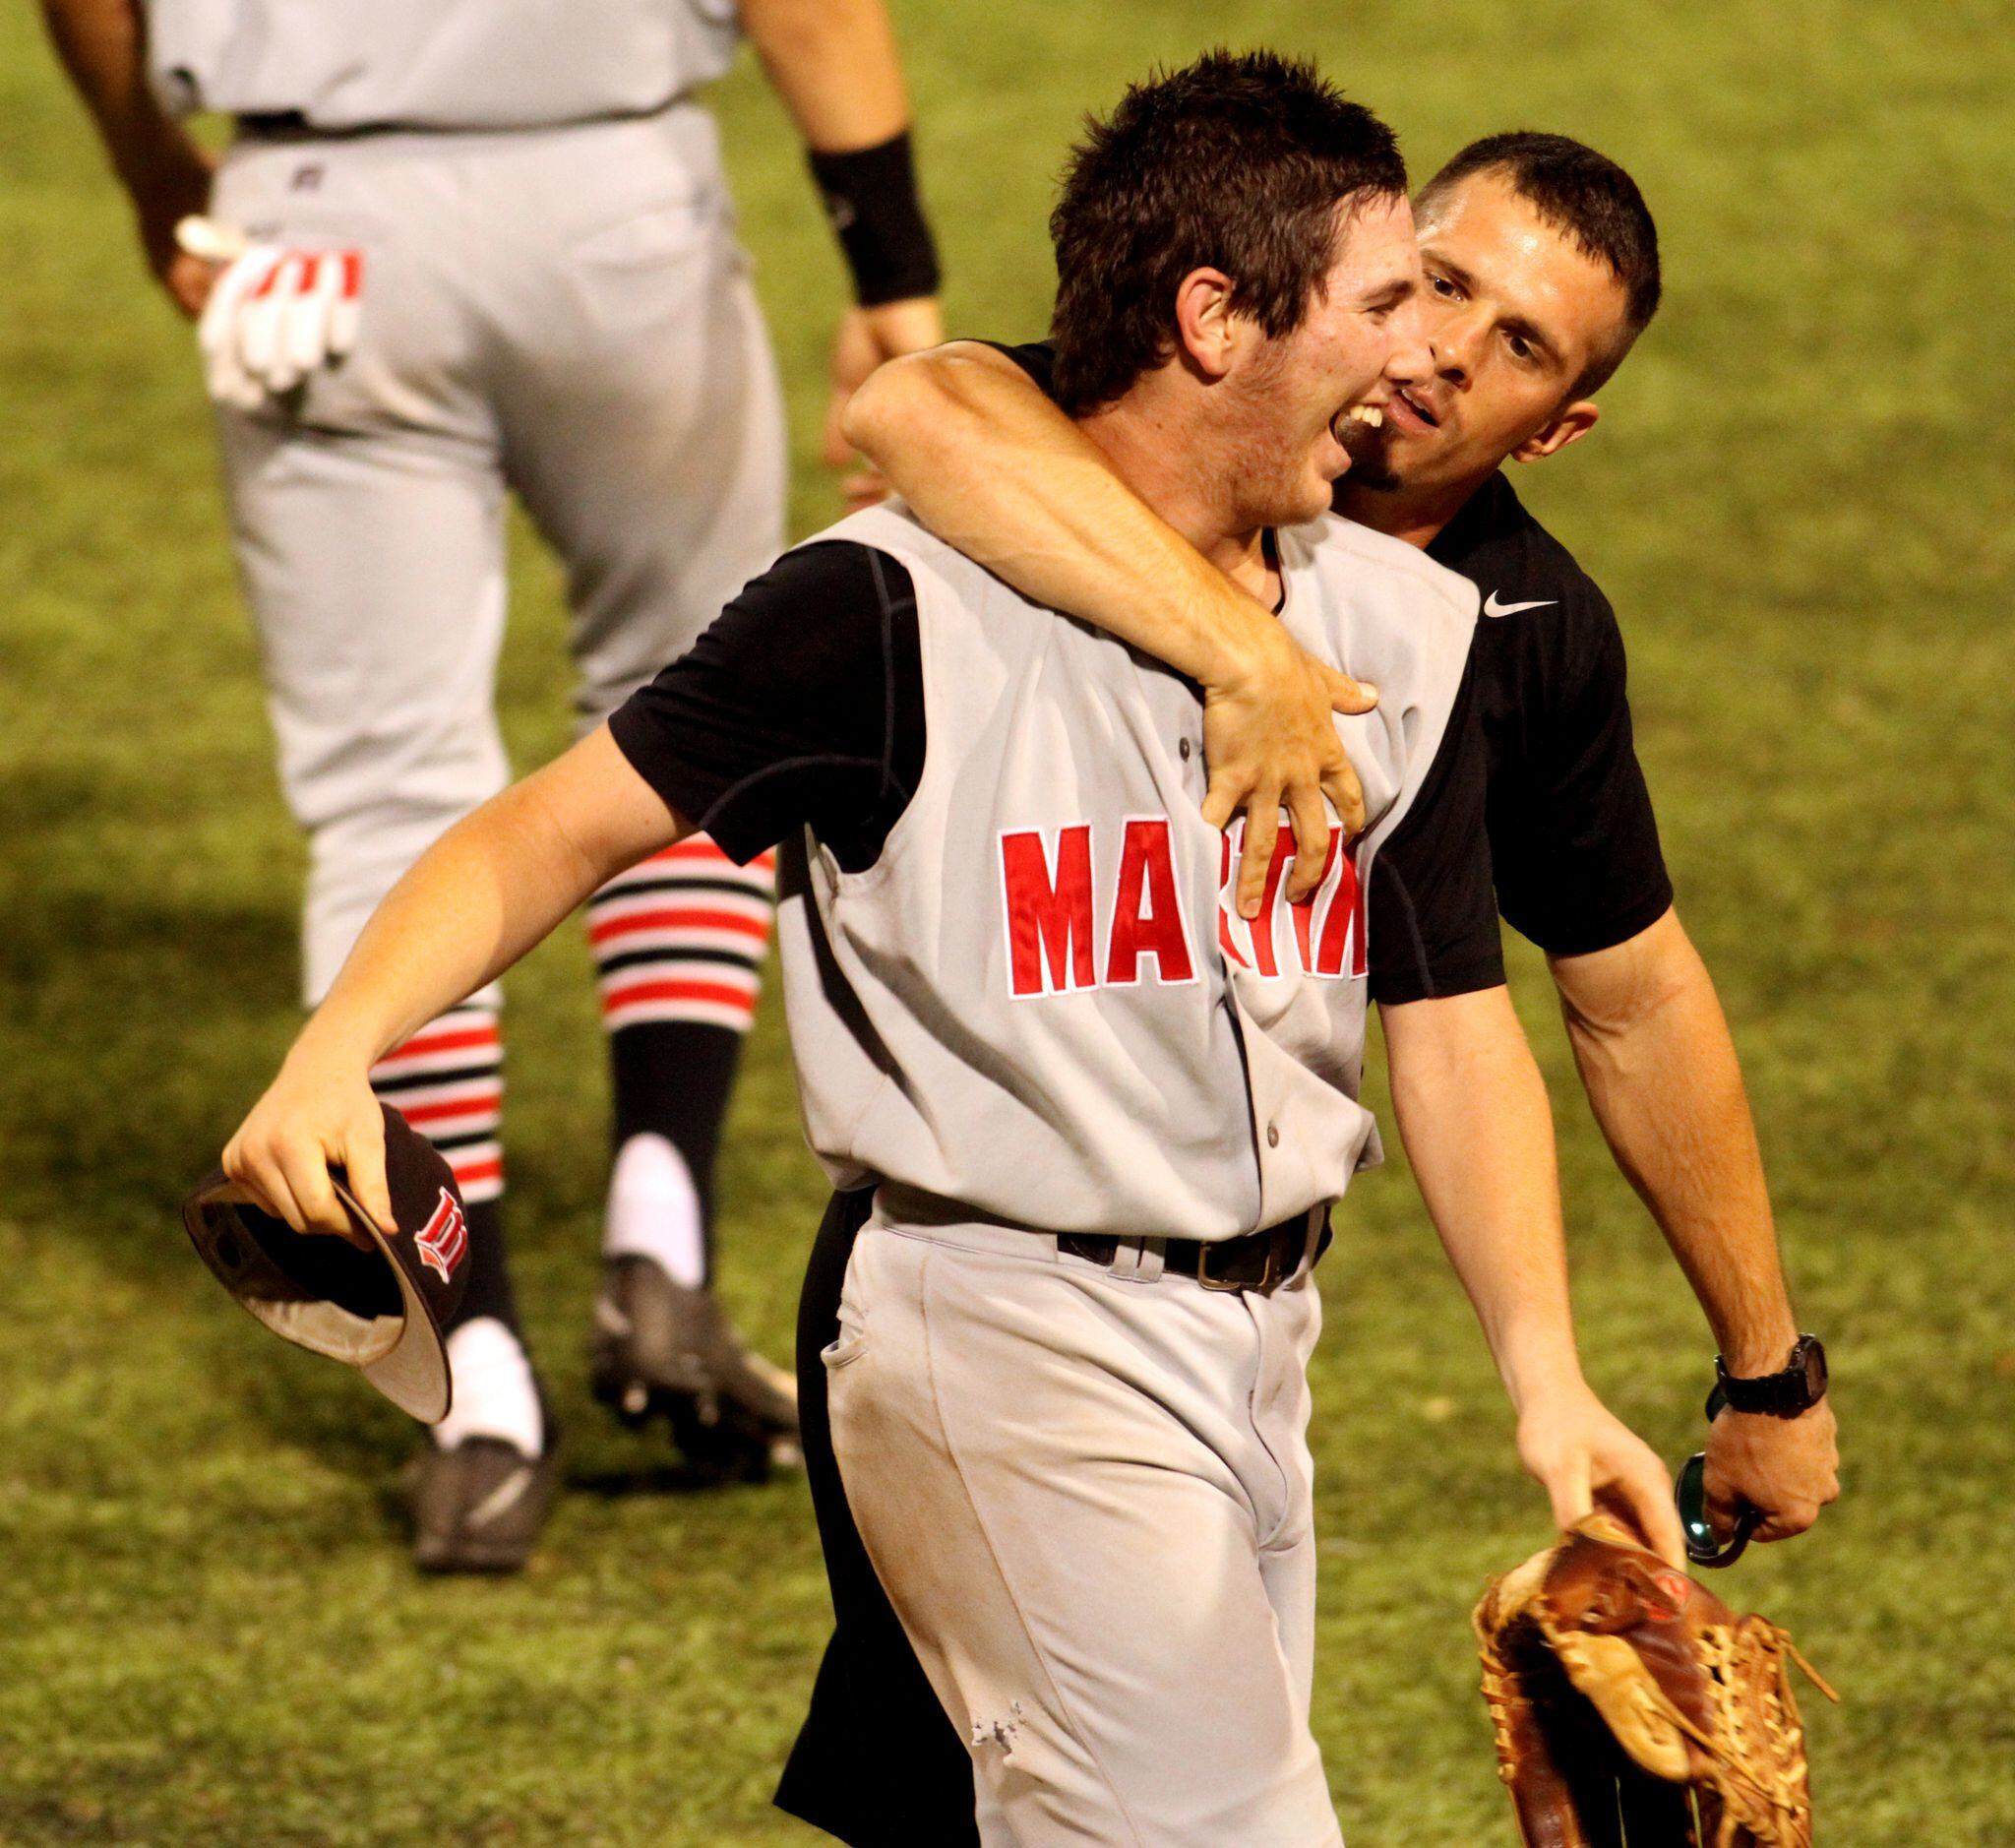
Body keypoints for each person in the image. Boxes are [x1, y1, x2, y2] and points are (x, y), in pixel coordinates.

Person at [216, 51, 1683, 1845]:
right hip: (1009, 1340)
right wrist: (334, 1047)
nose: (1414, 366)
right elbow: (554, 826)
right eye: (1391, 302)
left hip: (1261, 1354)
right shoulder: (890, 610)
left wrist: (1548, 1381)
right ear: (1216, 319)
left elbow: (1453, 1022)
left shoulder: (1400, 629)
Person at [772, 127, 1842, 1843]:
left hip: (1247, 1317)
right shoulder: (1170, 419)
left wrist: (1764, 1368)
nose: (1445, 357)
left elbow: (1622, 996)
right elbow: (909, 405)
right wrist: (1246, 652)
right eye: (1443, 283)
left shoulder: (1516, 629)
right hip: (994, 1269)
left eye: (1521, 349)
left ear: (1560, 424)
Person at [40, 0, 944, 1570]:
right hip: (620, 220)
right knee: (687, 722)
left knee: (382, 786)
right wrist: (891, 272)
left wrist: (152, 178)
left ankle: (478, 1388)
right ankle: (658, 1227)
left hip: (315, 242)